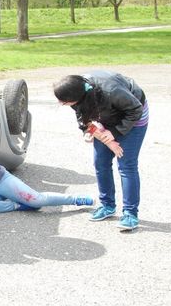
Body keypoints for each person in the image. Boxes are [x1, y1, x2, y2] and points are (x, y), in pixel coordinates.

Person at [53, 70, 148, 230]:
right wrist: (92, 134)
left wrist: (115, 133)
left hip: (132, 117)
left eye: (64, 102)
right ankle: (107, 206)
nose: (62, 104)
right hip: (107, 118)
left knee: (126, 165)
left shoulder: (110, 90)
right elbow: (84, 120)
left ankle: (131, 213)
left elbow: (135, 110)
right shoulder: (76, 95)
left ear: (76, 97)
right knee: (100, 163)